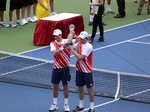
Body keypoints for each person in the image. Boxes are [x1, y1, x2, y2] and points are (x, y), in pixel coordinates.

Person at [49, 29, 79, 112]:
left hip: (65, 69)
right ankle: (55, 104)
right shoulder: (53, 43)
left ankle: (66, 105)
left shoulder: (67, 41)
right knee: (55, 86)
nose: (55, 37)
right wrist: (63, 46)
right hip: (56, 68)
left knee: (65, 86)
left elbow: (78, 40)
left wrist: (73, 34)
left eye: (56, 35)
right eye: (54, 36)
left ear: (60, 35)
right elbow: (54, 53)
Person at [68, 31, 95, 112]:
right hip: (79, 70)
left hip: (87, 71)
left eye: (82, 38)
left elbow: (80, 57)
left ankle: (92, 108)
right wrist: (71, 34)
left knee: (90, 89)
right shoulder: (79, 44)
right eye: (80, 38)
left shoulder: (89, 46)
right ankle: (81, 107)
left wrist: (72, 50)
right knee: (80, 88)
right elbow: (70, 44)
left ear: (87, 39)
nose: (81, 39)